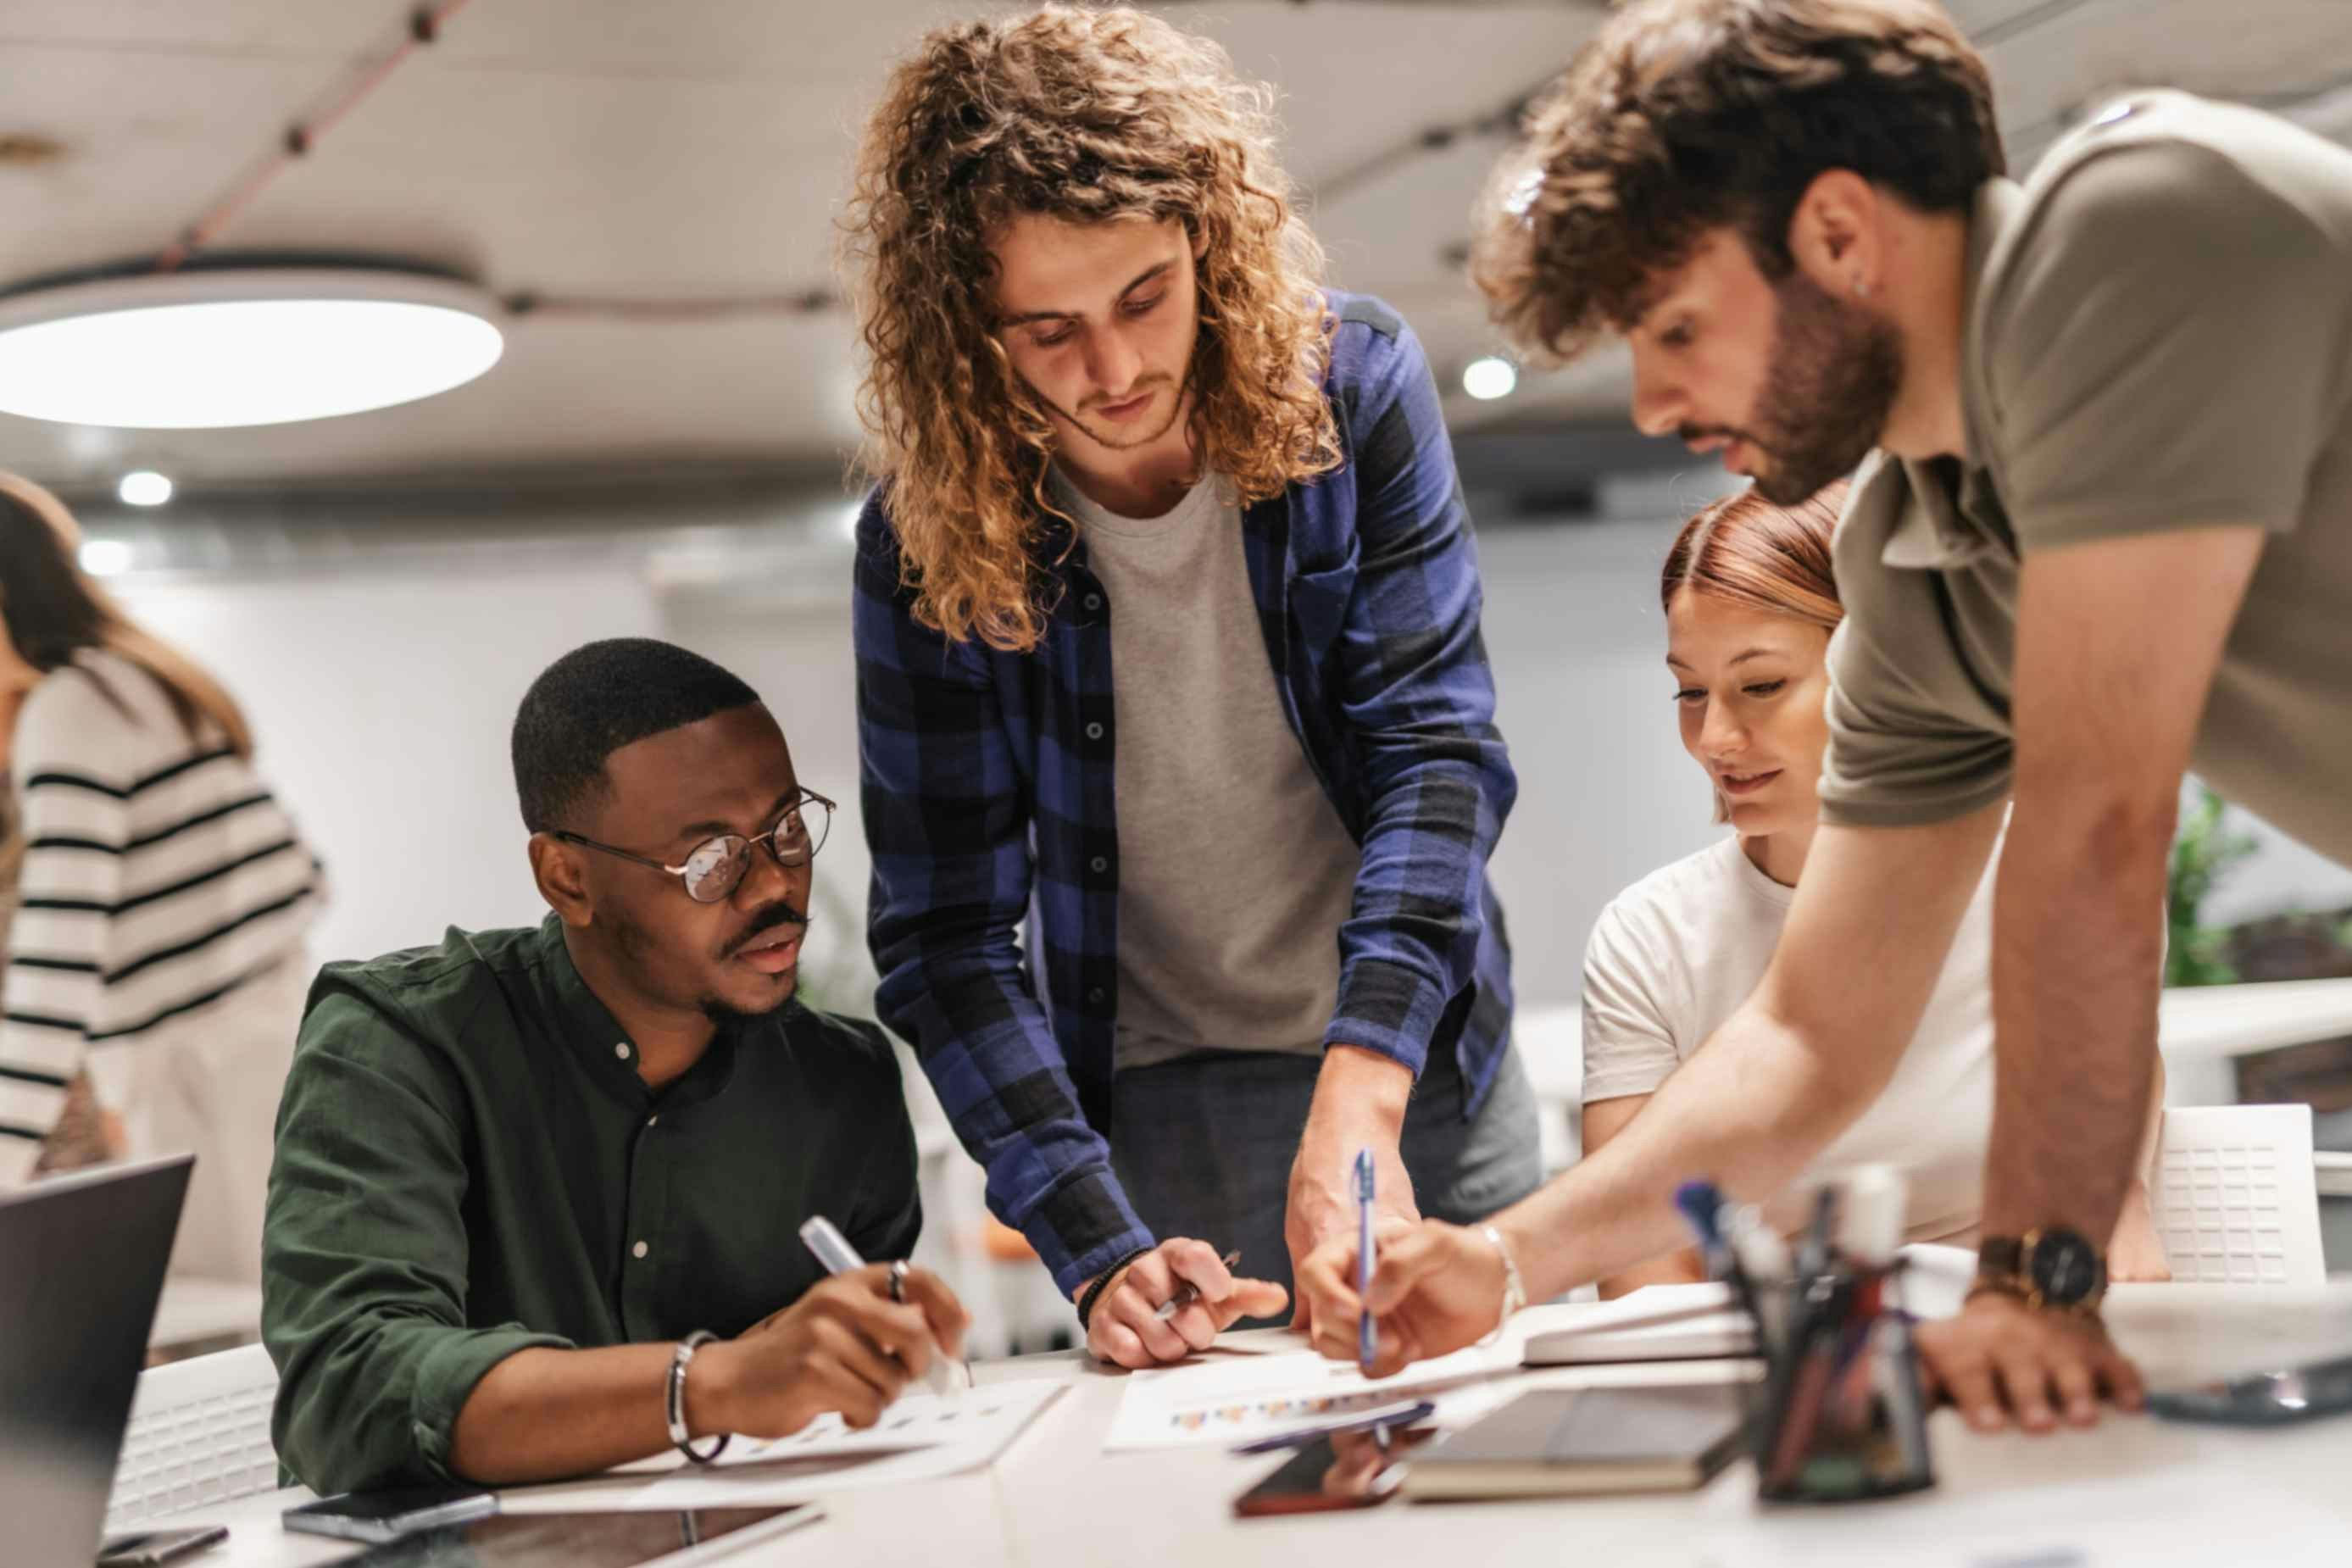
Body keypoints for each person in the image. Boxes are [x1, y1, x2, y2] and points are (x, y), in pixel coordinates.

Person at [1298, 0, 2352, 1433]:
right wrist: (1506, 1256)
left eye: (1678, 328)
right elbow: (1810, 1031)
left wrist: (2039, 1279)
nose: (1657, 402)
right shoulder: (1920, 559)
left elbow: (2099, 832)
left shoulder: (2131, 231)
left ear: (1843, 235)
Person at [843, 4, 1542, 1369]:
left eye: (1142, 299)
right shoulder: (924, 538)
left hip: (1410, 1055)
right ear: (964, 332)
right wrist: (1095, 1242)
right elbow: (944, 934)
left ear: (1207, 247)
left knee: (1496, 1443)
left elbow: (1435, 754)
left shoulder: (1351, 392)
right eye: (1045, 331)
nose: (1109, 374)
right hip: (1148, 1095)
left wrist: (1361, 1089)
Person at [264, 638, 968, 1493]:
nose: (773, 886)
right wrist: (713, 1383)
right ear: (567, 878)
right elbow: (351, 1391)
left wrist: (839, 1355)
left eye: (786, 827)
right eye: (711, 859)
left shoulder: (843, 1083)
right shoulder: (402, 1044)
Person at [1580, 480, 2166, 1297]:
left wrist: (2115, 1208)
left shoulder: (2054, 866)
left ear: (1885, 668)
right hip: (1791, 1377)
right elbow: (1640, 1270)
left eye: (1759, 686)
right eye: (1689, 690)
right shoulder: (1649, 935)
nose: (1713, 737)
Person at [0, 473, 320, 1282]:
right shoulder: (139, 683)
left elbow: (55, 964)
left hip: (207, 1077)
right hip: (254, 1045)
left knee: (237, 1339)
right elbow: (301, 876)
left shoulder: (72, 711)